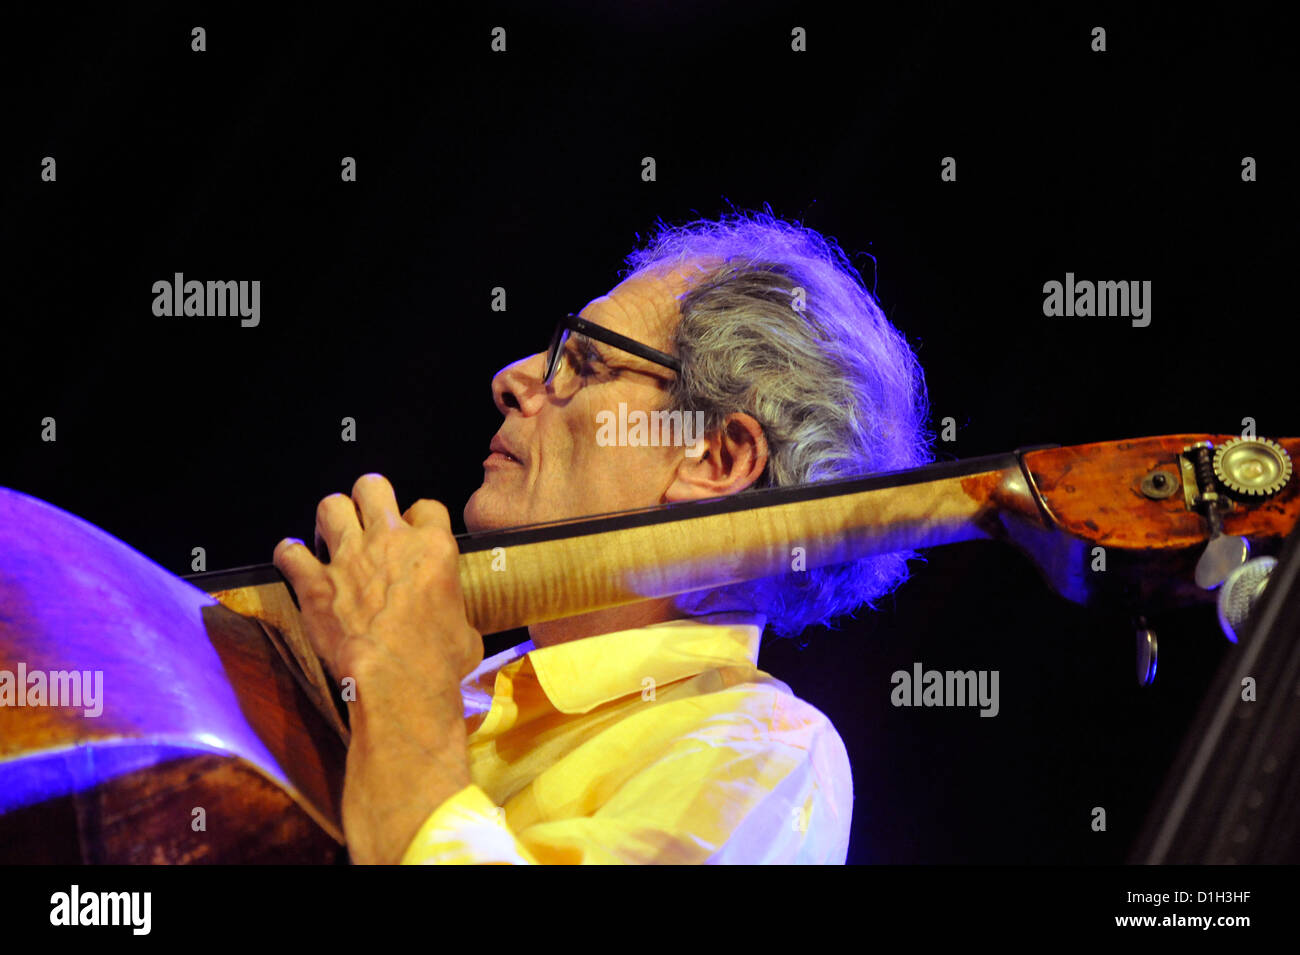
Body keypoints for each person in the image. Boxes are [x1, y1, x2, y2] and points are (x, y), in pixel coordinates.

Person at [272, 209, 932, 864]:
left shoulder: (765, 754)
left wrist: (402, 694)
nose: (512, 378)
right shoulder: (468, 686)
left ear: (714, 458)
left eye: (584, 360)